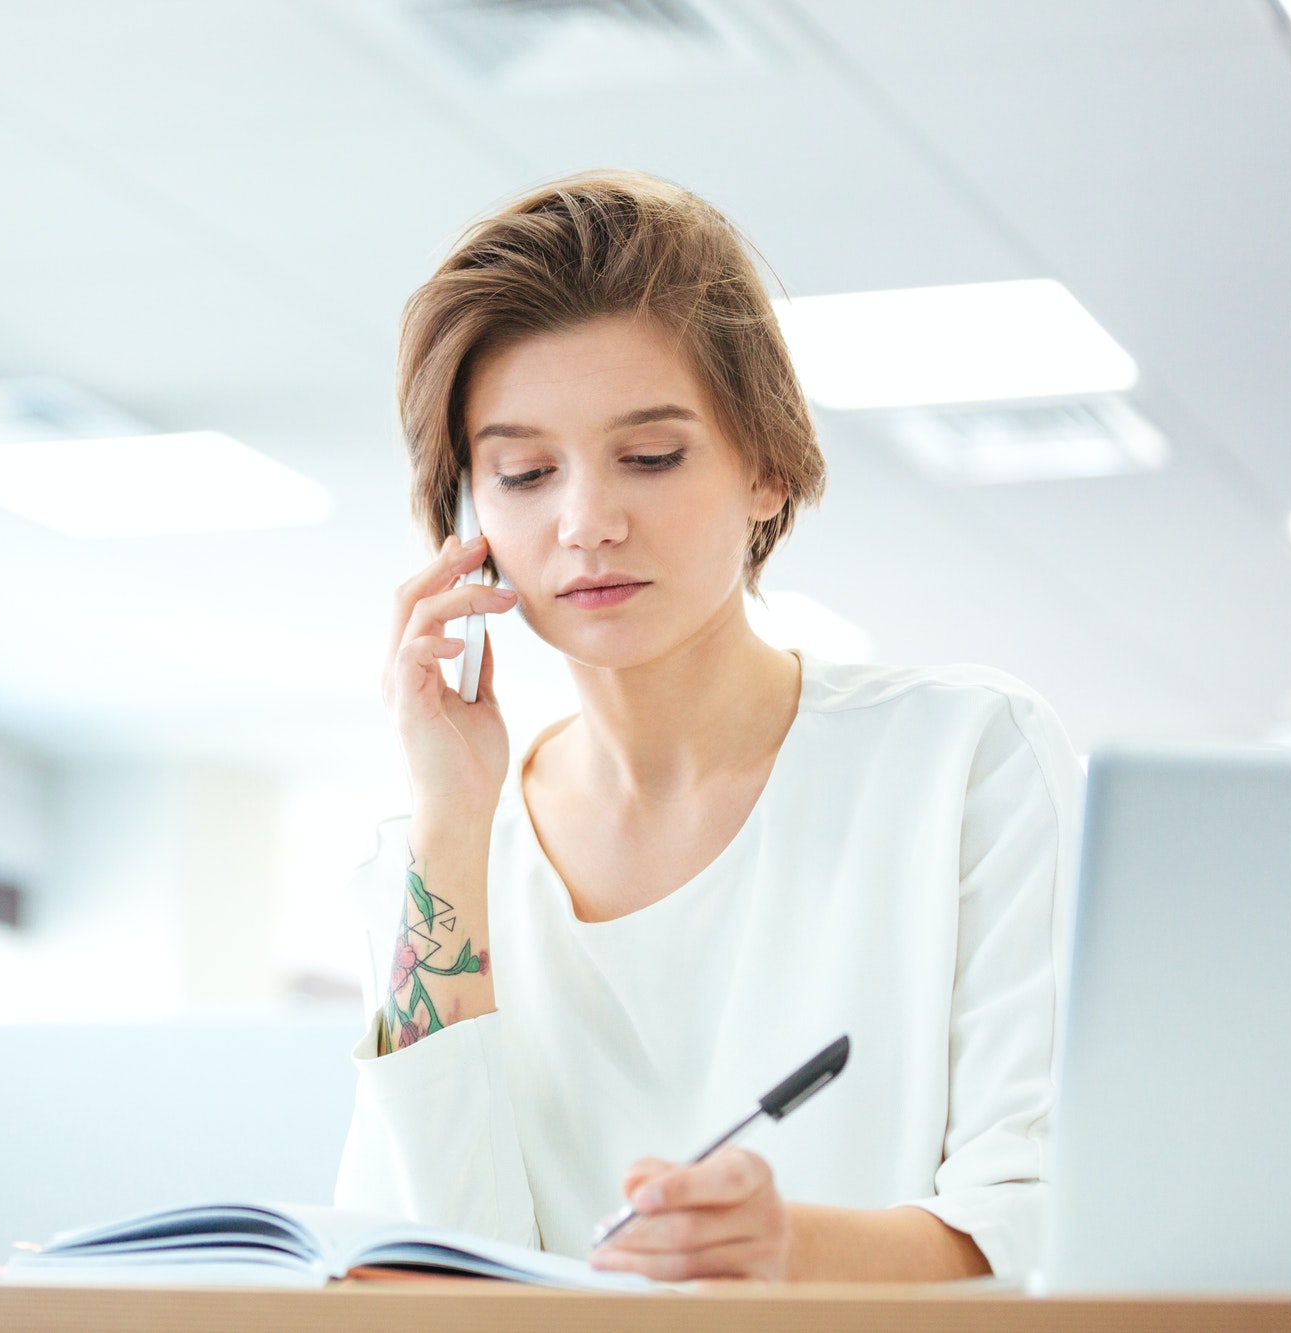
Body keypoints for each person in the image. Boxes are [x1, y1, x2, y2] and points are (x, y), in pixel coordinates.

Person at [332, 170, 1082, 1285]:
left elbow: (1052, 1220)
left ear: (766, 466)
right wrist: (446, 820)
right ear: (471, 523)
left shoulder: (966, 761)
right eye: (524, 472)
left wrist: (789, 1250)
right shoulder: (433, 860)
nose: (586, 520)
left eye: (649, 455)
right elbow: (426, 1269)